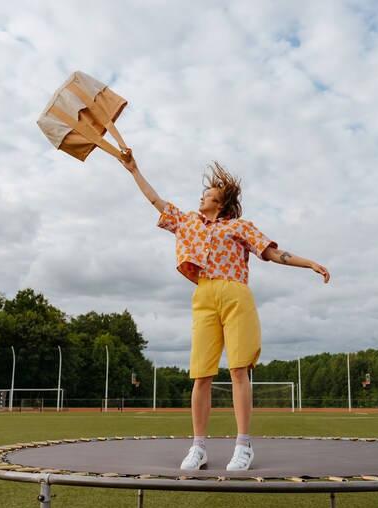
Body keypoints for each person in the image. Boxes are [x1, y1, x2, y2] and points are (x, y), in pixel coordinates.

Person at [120, 151, 329, 471]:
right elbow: (156, 201)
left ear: (222, 201)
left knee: (238, 370)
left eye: (208, 192)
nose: (202, 195)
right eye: (202, 192)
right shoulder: (188, 221)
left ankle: (243, 445)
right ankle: (198, 447)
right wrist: (134, 169)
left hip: (235, 296)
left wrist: (309, 263)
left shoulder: (240, 227)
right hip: (204, 296)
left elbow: (273, 253)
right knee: (201, 374)